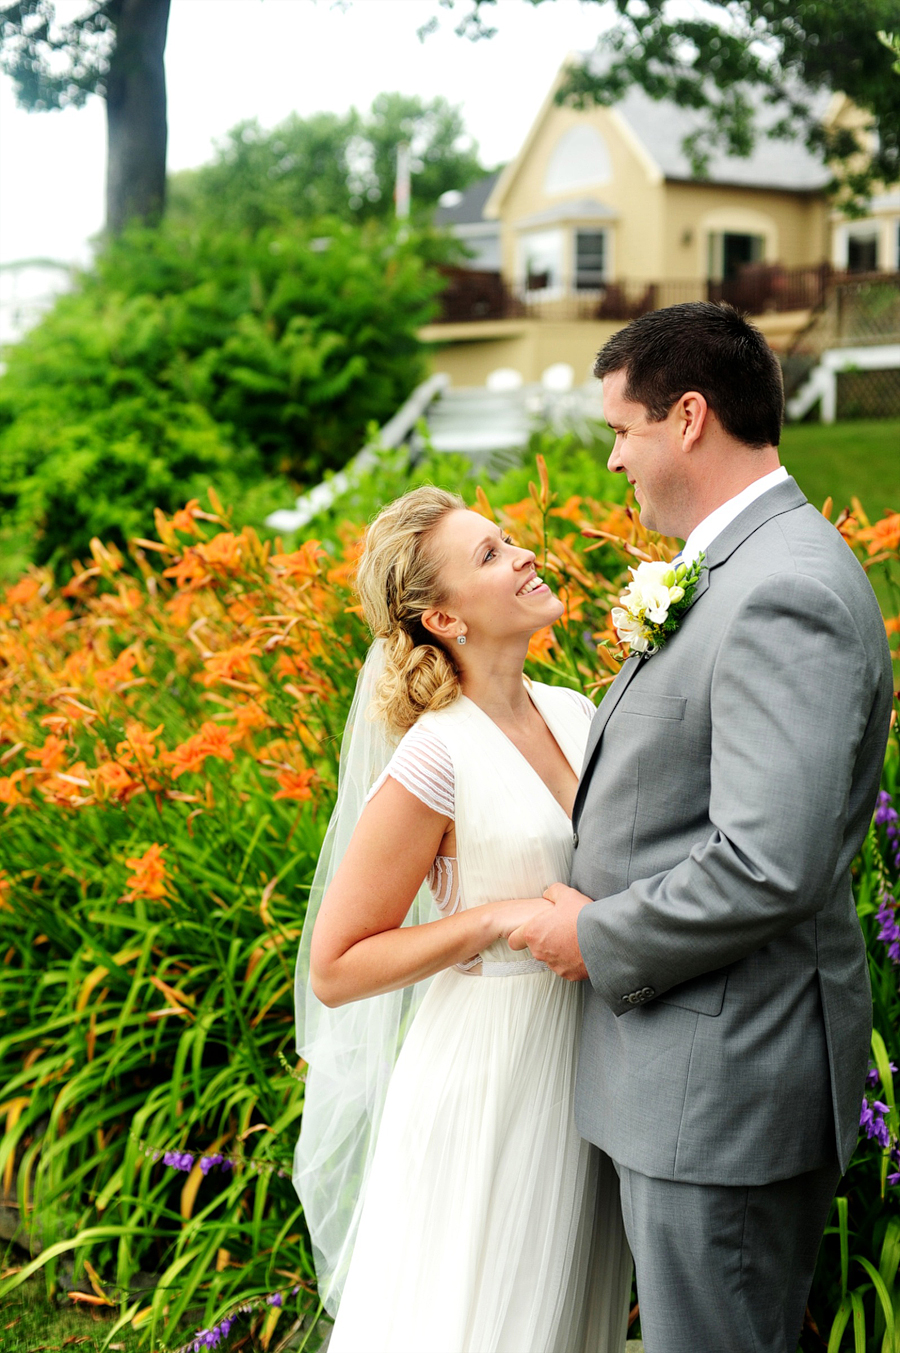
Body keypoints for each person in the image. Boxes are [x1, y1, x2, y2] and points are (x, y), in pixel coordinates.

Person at [509, 302, 894, 1353]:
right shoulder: (739, 569)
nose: (612, 462)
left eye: (619, 433)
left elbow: (770, 862)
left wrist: (595, 938)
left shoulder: (786, 591)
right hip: (691, 1076)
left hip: (723, 1085)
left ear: (686, 418)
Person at [292, 487, 632, 1353]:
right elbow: (335, 964)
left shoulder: (575, 712)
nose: (521, 555)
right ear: (443, 617)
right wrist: (491, 920)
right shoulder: (436, 752)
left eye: (508, 539)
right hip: (489, 1072)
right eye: (489, 554)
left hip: (582, 1060)